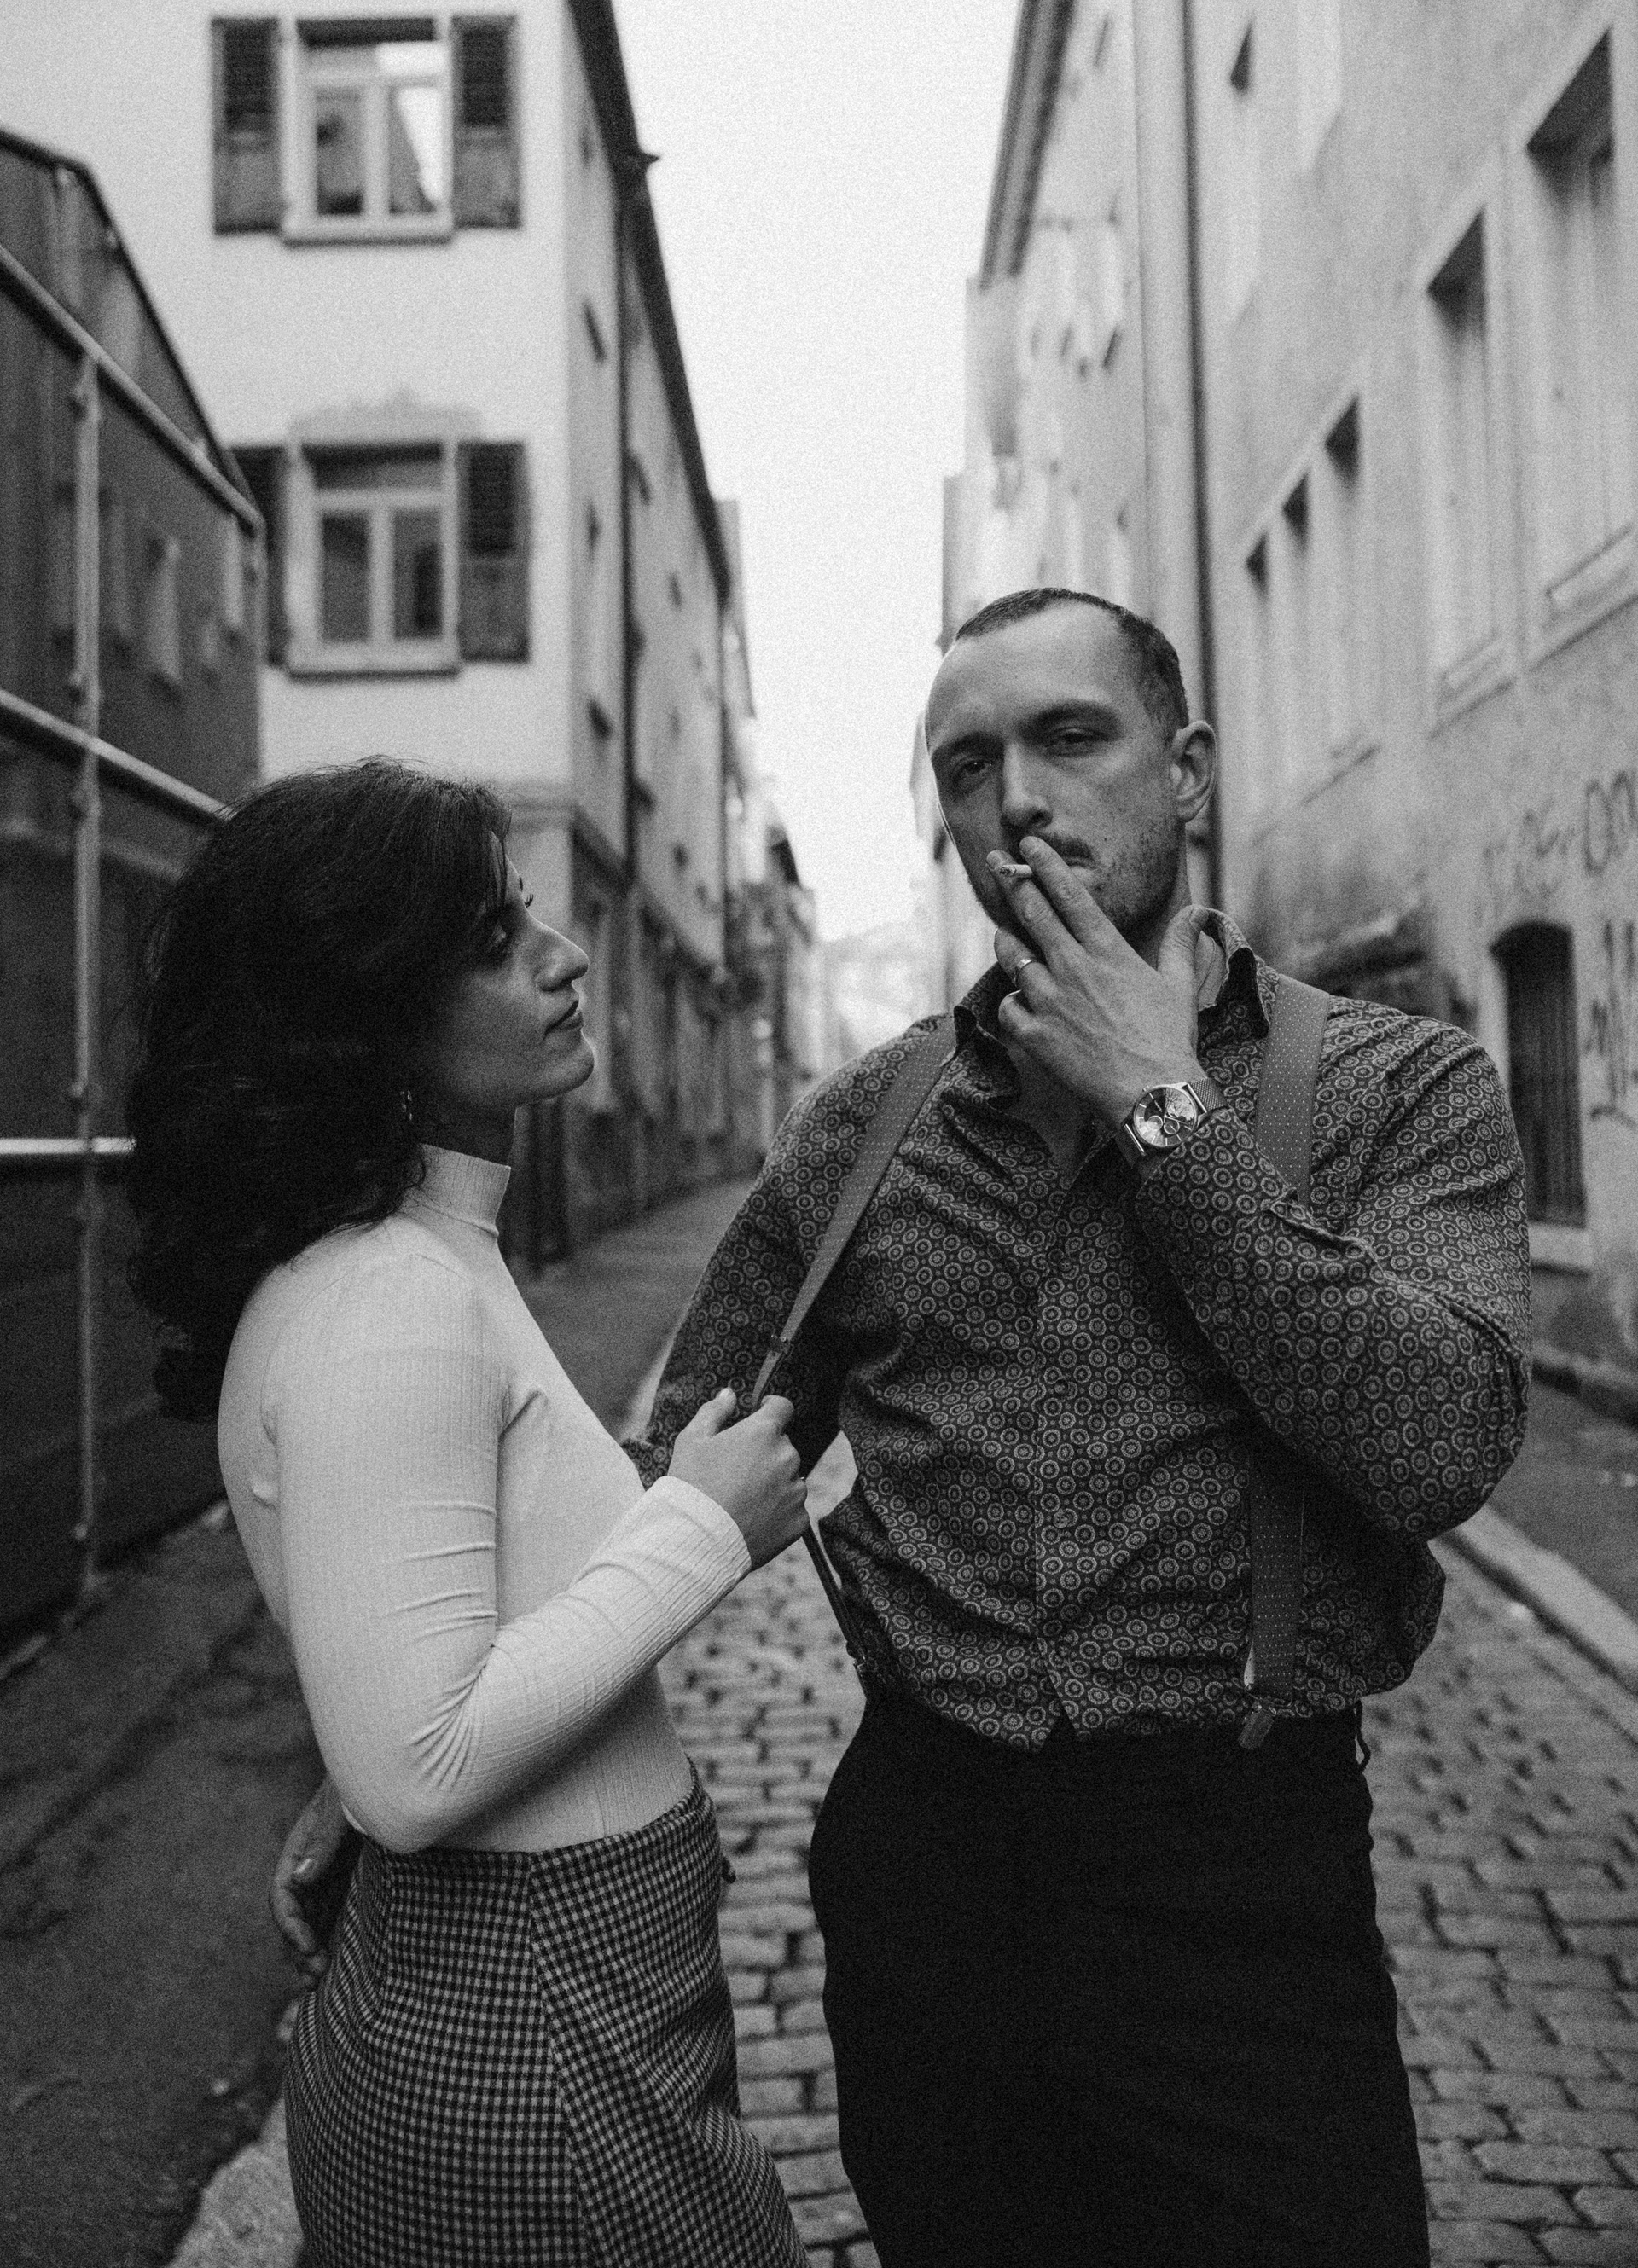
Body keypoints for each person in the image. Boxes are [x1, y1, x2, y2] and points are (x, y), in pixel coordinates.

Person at [276, 589, 1530, 2266]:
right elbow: (663, 1469)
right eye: (968, 766)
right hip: (932, 1870)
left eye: (1070, 739)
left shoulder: (1400, 1086)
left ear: (1187, 771)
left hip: (1237, 1874)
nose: (1019, 798)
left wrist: (1160, 1109)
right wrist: (389, 1723)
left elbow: (1440, 1445)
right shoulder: (867, 1126)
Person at [130, 758, 809, 2268]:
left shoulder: (423, 1261)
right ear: (365, 1020)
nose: (564, 960)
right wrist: (702, 1532)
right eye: (498, 944)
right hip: (540, 2035)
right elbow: (413, 1765)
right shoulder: (392, 1303)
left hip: (556, 2002)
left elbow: (431, 1646)